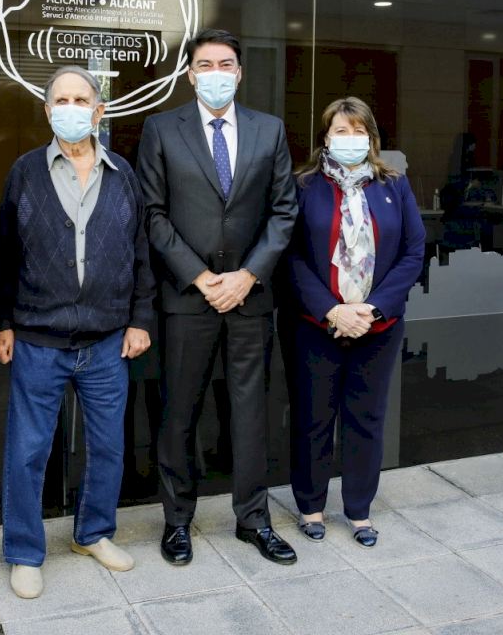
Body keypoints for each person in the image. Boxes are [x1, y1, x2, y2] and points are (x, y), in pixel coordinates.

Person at [136, 28, 299, 567]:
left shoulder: (269, 130)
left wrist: (248, 276)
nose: (216, 74)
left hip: (250, 298)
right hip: (188, 298)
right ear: (190, 74)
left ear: (240, 72)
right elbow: (152, 214)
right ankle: (177, 521)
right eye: (205, 65)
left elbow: (284, 211)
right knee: (179, 414)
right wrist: (201, 277)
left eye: (225, 64)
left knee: (250, 414)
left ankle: (254, 520)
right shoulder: (162, 129)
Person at [0, 66, 156, 599]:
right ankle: (24, 552)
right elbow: (3, 254)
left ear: (99, 110)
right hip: (38, 340)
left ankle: (94, 533)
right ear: (47, 111)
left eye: (81, 100)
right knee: (27, 452)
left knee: (108, 445)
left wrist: (139, 319)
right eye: (60, 100)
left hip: (107, 341)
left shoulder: (122, 173)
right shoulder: (25, 172)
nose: (71, 109)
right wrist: (2, 322)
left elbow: (140, 252)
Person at [281, 96, 424, 548]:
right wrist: (333, 310)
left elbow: (413, 251)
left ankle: (359, 510)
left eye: (358, 131)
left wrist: (373, 308)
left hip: (377, 327)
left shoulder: (394, 184)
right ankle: (310, 506)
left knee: (366, 418)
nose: (350, 138)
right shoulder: (303, 185)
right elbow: (290, 254)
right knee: (313, 418)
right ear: (325, 138)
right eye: (341, 131)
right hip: (315, 324)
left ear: (372, 138)